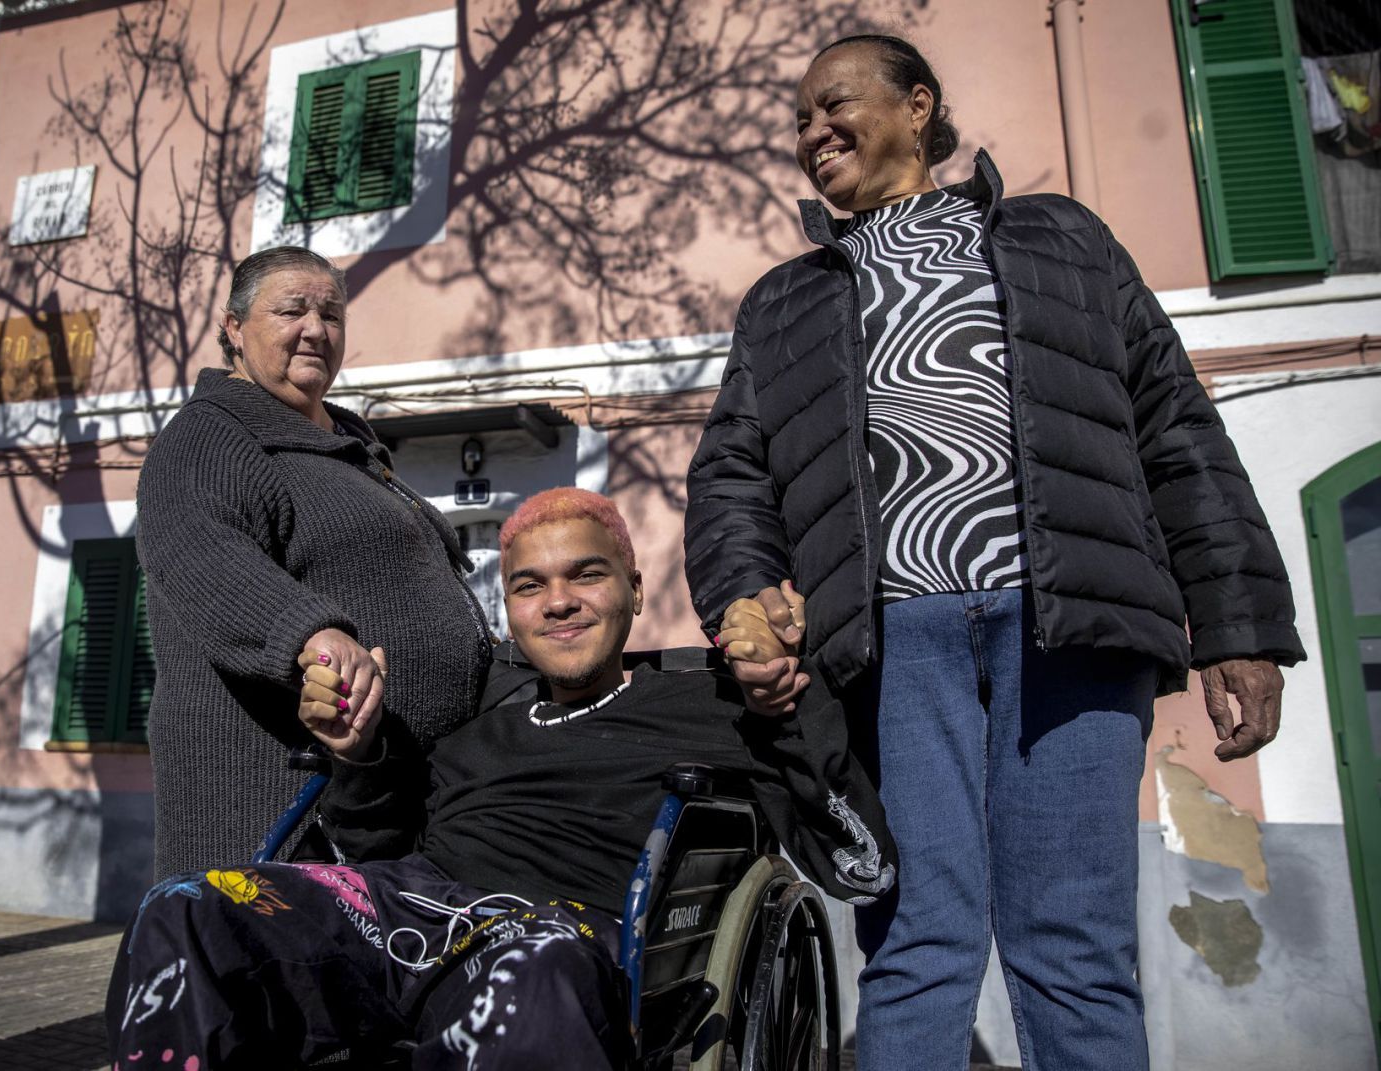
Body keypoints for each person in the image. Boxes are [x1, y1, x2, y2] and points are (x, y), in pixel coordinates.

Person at [682, 33, 1306, 1071]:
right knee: (919, 940)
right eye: (796, 120)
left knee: (1073, 947)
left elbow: (1175, 428)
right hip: (891, 647)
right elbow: (732, 474)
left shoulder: (1062, 239)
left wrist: (1236, 626)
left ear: (918, 105)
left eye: (833, 103)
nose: (810, 131)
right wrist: (746, 593)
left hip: (1069, 627)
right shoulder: (782, 303)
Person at [107, 488, 896, 1070]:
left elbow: (861, 864)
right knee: (187, 907)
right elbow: (377, 846)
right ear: (510, 610)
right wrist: (358, 748)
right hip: (408, 913)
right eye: (529, 585)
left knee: (536, 972)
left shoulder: (712, 705)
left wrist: (788, 699)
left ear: (634, 590)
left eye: (586, 575)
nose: (558, 602)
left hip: (558, 937)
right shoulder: (476, 727)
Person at [136, 246, 492, 879]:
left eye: (331, 314)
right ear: (234, 328)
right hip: (282, 805)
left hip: (393, 792)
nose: (315, 329)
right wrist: (309, 634)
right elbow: (200, 556)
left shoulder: (347, 446)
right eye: (290, 310)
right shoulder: (210, 436)